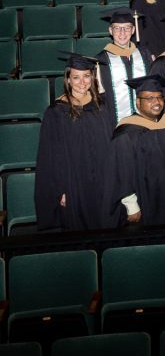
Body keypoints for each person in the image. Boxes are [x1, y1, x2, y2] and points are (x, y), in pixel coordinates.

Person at [35, 53, 115, 231]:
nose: (82, 82)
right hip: (74, 183)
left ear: (92, 77)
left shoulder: (102, 106)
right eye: (76, 77)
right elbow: (50, 156)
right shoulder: (56, 111)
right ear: (68, 80)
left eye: (86, 76)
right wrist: (61, 190)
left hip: (103, 180)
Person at [103, 74, 165, 227]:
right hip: (145, 200)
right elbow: (121, 172)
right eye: (149, 98)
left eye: (159, 97)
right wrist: (131, 205)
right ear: (138, 102)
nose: (156, 102)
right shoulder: (127, 132)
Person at [95, 7, 153, 125]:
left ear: (133, 30)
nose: (122, 33)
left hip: (145, 120)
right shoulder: (101, 60)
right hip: (115, 121)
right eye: (117, 28)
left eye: (127, 28)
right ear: (110, 31)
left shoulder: (144, 54)